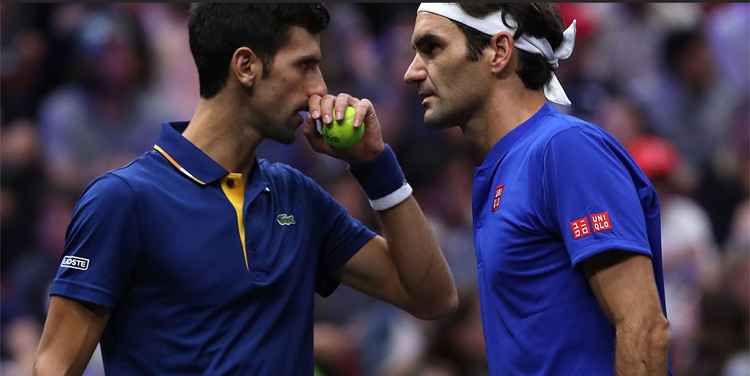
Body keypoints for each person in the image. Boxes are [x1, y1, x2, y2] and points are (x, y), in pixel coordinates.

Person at [33, 4, 458, 375]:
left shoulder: (296, 196)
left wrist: (374, 164)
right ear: (246, 66)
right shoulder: (122, 200)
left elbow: (432, 297)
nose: (320, 89)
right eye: (305, 65)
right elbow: (55, 366)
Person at [403, 3, 670, 375]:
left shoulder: (565, 149)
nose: (411, 72)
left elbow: (644, 328)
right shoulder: (503, 170)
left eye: (431, 48)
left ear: (498, 52)